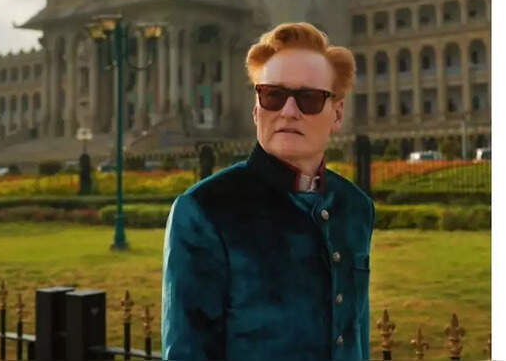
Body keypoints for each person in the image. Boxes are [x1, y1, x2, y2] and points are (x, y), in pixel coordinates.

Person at [161, 22, 375, 361]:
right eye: (273, 95)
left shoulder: (354, 207)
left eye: (309, 99)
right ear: (256, 108)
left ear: (337, 113)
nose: (288, 111)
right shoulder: (206, 210)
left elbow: (354, 338)